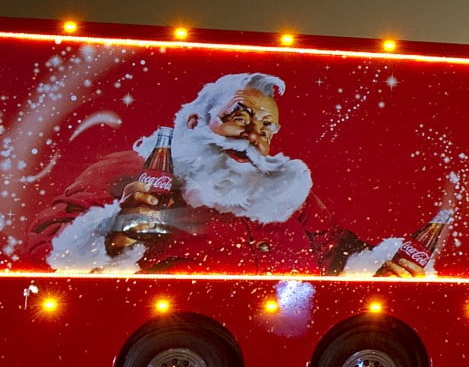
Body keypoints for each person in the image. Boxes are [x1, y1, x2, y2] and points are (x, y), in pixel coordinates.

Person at [25, 72, 423, 276]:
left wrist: (379, 268)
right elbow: (42, 253)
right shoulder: (129, 169)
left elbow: (338, 255)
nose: (253, 136)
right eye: (239, 117)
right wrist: (111, 232)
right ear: (198, 120)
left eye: (266, 128)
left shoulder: (287, 193)